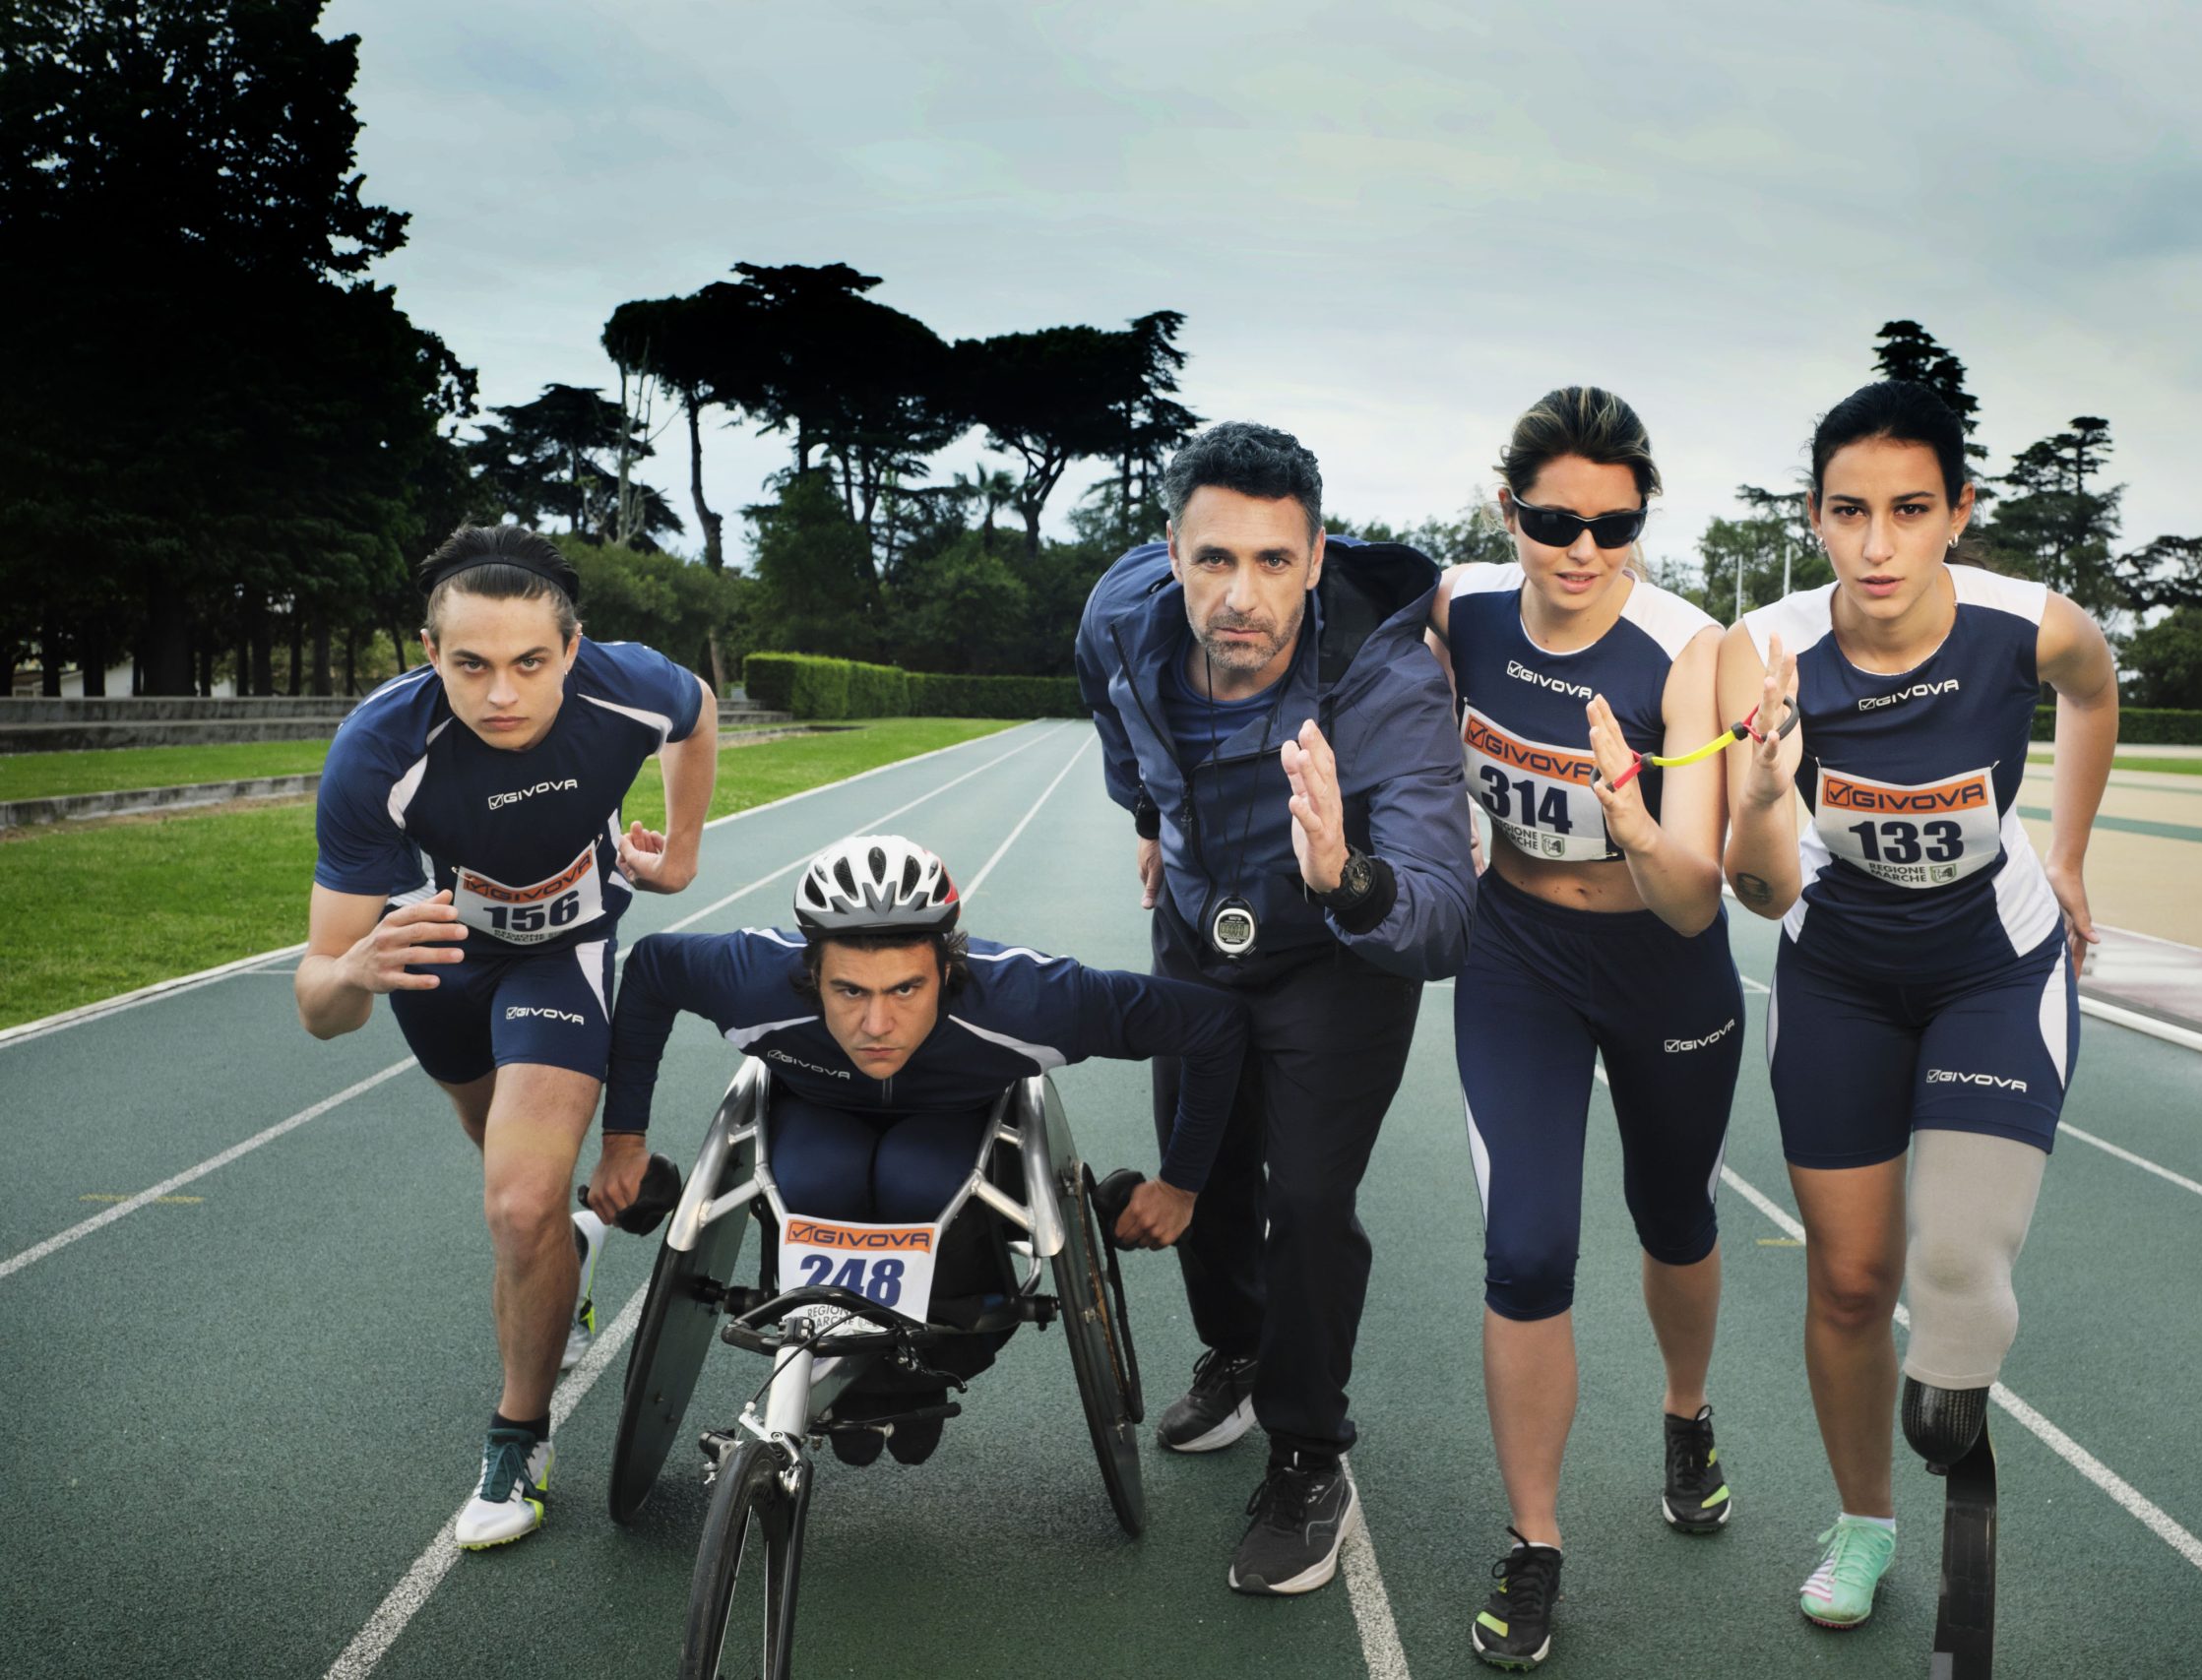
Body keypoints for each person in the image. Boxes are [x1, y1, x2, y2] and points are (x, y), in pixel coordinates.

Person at [1721, 381, 2117, 1632]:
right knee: (1848, 1284)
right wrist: (1759, 795)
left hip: (1992, 968)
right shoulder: (1764, 651)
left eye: (1908, 510)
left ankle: (1954, 1395)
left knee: (1950, 1270)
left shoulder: (2029, 625)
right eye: (1849, 512)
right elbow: (1760, 889)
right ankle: (1863, 1524)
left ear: (1959, 511)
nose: (1877, 544)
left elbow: (2093, 691)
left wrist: (2067, 853)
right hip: (1837, 973)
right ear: (1814, 516)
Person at [1075, 420, 1476, 1596]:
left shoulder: (1385, 680)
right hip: (1198, 929)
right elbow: (1118, 730)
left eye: (1271, 561)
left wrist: (1341, 873)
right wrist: (1150, 821)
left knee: (1303, 1197)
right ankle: (1239, 1352)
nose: (1239, 596)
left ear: (1314, 559)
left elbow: (1440, 919)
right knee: (1195, 1165)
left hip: (1336, 950)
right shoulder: (1119, 618)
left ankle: (1307, 1453)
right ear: (1170, 552)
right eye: (1213, 559)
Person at [294, 523, 717, 1549]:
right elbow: (320, 1009)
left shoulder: (629, 685)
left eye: (530, 662)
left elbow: (698, 713)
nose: (500, 695)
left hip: (562, 954)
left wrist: (682, 850)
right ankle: (575, 1249)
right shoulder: (377, 750)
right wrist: (353, 972)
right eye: (470, 665)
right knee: (502, 1161)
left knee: (521, 1204)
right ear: (429, 653)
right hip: (438, 966)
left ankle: (517, 1435)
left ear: (573, 648)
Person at [595, 833, 1250, 1463]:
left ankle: (924, 1374)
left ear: (948, 969)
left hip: (951, 1128)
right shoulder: (752, 978)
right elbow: (652, 969)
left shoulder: (1030, 999)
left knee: (914, 1177)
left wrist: (1180, 1186)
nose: (877, 1024)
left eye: (906, 988)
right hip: (818, 1116)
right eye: (849, 990)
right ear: (810, 973)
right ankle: (834, 1361)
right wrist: (623, 1143)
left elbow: (1214, 1025)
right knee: (820, 1177)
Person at [1426, 387, 1744, 1669]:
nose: (1581, 549)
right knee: (1525, 1248)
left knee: (1675, 1217)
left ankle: (1686, 1412)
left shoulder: (1687, 648)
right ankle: (1534, 1541)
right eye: (1553, 520)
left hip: (1663, 963)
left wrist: (1634, 819)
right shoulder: (1460, 607)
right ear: (1506, 509)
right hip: (1519, 957)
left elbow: (1695, 896)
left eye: (1613, 525)